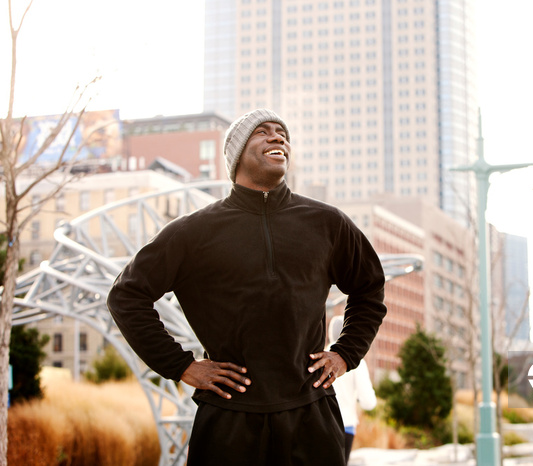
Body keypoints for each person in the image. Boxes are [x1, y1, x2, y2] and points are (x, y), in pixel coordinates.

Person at [107, 108, 387, 465]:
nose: (277, 138)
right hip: (228, 419)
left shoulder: (327, 224)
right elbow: (125, 295)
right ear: (237, 153)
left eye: (282, 133)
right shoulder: (193, 232)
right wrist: (181, 366)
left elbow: (369, 288)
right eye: (263, 132)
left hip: (311, 414)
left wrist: (346, 353)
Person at [327, 315, 378, 465]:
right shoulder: (356, 362)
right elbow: (368, 402)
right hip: (345, 426)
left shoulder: (319, 357)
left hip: (319, 424)